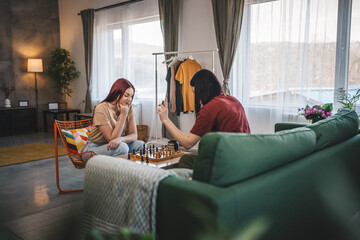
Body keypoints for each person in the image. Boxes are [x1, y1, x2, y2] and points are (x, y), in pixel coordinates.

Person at [157, 69, 251, 169]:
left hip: (228, 161)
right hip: (246, 156)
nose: (195, 97)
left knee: (185, 159)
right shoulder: (233, 100)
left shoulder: (209, 109)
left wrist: (165, 120)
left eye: (194, 92)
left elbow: (187, 143)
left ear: (202, 90)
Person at [84, 78, 143, 156]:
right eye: (126, 95)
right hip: (93, 149)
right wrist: (123, 115)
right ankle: (117, 168)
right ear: (117, 94)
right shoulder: (101, 109)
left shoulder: (129, 107)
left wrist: (121, 139)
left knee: (141, 145)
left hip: (116, 144)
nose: (129, 99)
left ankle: (129, 167)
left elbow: (134, 135)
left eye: (131, 96)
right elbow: (111, 139)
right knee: (122, 147)